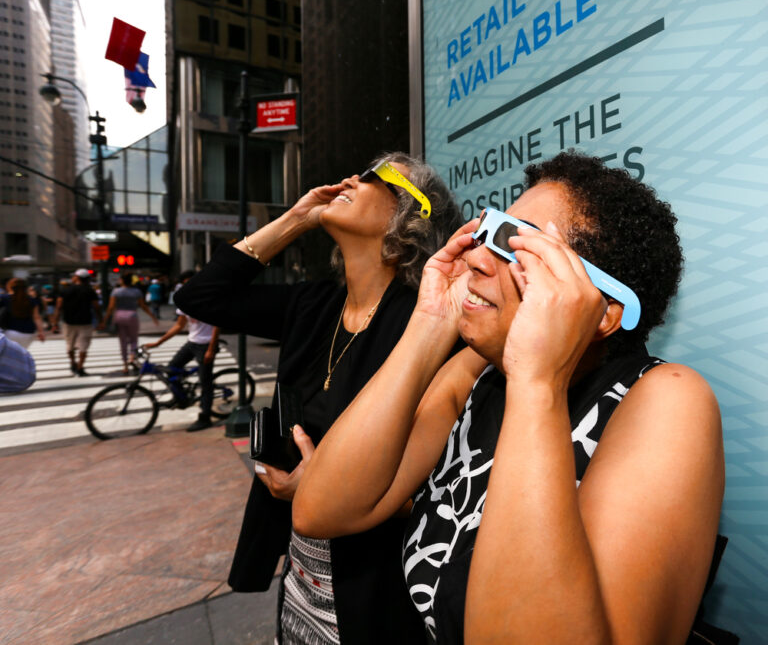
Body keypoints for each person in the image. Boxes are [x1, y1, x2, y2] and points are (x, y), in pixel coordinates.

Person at [294, 151, 725, 644]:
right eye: (489, 234)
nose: (477, 255)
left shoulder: (666, 401)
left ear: (603, 309)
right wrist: (431, 324)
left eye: (517, 247)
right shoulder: (478, 375)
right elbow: (322, 509)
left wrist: (537, 382)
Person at [174, 152, 462, 644]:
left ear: (413, 216)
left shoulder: (429, 324)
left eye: (376, 177)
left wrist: (327, 489)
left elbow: (449, 484)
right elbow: (200, 298)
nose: (351, 177)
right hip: (305, 576)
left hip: (380, 585)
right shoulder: (313, 304)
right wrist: (294, 220)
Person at [144, 270, 220, 432]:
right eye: (185, 282)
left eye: (191, 281)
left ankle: (205, 417)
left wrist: (211, 349)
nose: (188, 284)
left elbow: (217, 324)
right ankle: (181, 397)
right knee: (172, 369)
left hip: (206, 344)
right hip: (192, 342)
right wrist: (158, 342)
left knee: (205, 382)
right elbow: (179, 325)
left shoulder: (209, 297)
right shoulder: (185, 300)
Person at [99, 272, 158, 373]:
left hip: (119, 316)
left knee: (123, 341)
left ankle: (125, 365)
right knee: (134, 339)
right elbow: (143, 306)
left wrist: (104, 320)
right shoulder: (136, 291)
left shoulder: (116, 291)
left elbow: (111, 307)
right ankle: (132, 358)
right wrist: (152, 316)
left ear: (122, 280)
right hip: (132, 316)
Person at [51, 269, 102, 376]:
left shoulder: (65, 290)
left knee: (70, 345)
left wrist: (55, 322)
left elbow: (58, 307)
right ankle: (80, 366)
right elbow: (96, 307)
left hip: (68, 322)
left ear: (77, 277)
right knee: (84, 346)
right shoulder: (89, 290)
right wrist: (100, 320)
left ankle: (73, 362)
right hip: (85, 321)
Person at [0, 278, 45, 349]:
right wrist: (41, 332)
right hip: (29, 332)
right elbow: (37, 317)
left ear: (9, 287)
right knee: (19, 353)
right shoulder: (32, 300)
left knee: (7, 356)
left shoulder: (4, 298)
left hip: (10, 331)